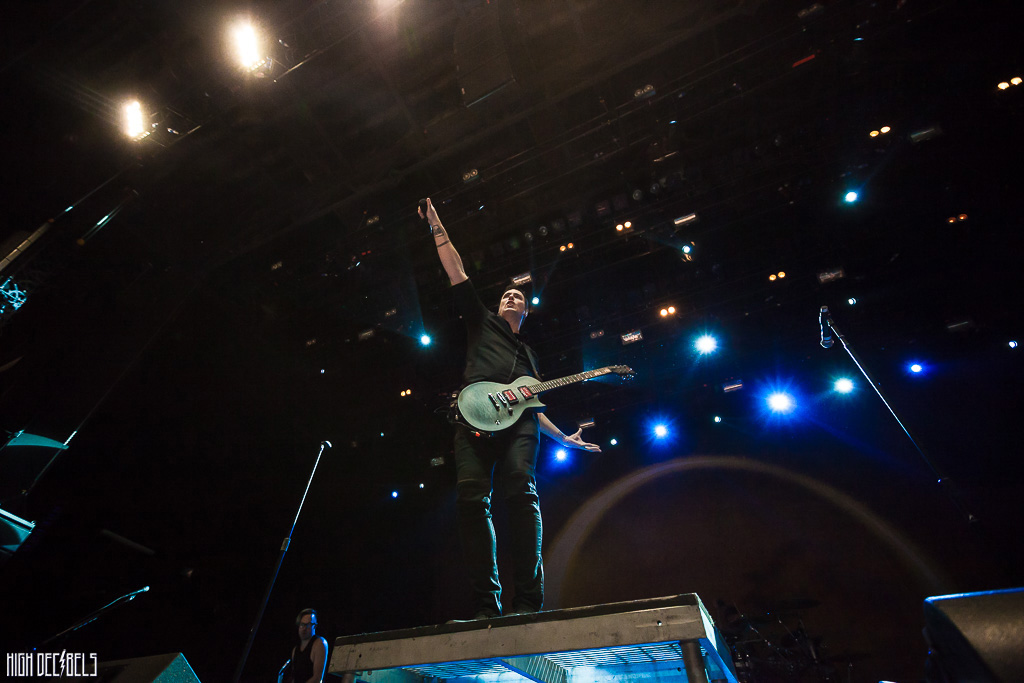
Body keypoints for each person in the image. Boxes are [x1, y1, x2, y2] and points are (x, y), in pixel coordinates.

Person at [418, 198, 600, 619]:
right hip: (473, 420)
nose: (510, 297)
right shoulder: (482, 322)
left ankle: (528, 603)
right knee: (470, 499)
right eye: (505, 295)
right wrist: (437, 226)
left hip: (518, 428)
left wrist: (564, 438)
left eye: (517, 296)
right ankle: (487, 604)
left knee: (520, 488)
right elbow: (456, 270)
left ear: (526, 311)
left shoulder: (531, 357)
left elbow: (531, 407)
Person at [283, 608, 327, 683]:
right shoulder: (295, 650)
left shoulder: (320, 643)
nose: (304, 628)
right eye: (302, 624)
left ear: (315, 626)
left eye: (308, 625)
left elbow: (317, 678)